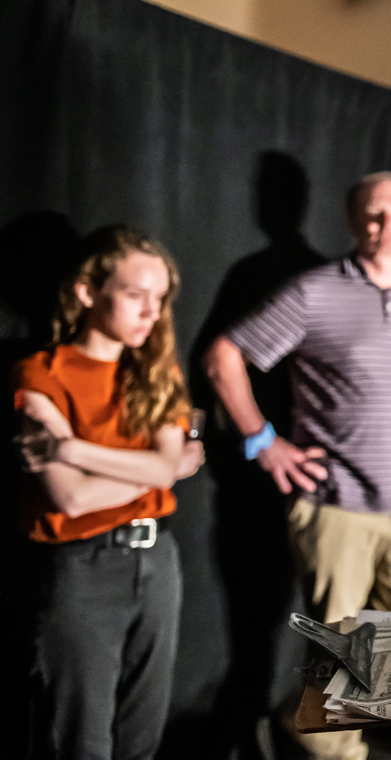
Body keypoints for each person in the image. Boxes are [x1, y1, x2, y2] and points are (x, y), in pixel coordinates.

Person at [204, 171, 391, 760]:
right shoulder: (314, 292)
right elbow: (224, 356)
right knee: (342, 659)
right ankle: (325, 747)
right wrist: (262, 442)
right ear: (351, 222)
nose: (384, 223)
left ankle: (302, 724)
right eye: (372, 212)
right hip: (336, 504)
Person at [13, 225, 205, 760]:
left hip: (158, 560)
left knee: (141, 739)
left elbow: (165, 465)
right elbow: (72, 498)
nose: (151, 312)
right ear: (86, 291)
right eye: (136, 295)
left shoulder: (156, 372)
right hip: (82, 568)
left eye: (160, 298)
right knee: (83, 742)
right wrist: (160, 470)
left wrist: (71, 448)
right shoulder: (40, 373)